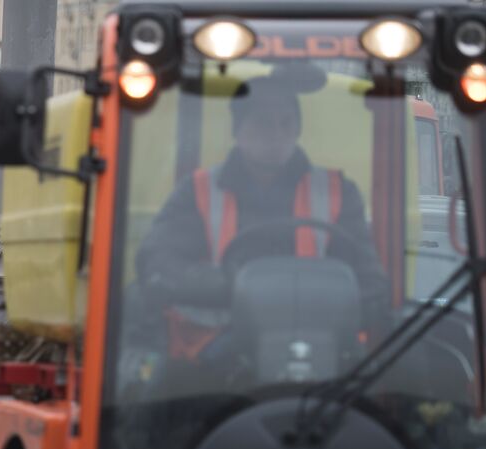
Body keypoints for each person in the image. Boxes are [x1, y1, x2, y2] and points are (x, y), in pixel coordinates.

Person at [135, 76, 388, 362]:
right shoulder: (197, 191)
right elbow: (158, 265)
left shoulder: (338, 192)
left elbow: (371, 284)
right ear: (237, 130)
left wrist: (315, 303)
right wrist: (230, 287)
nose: (276, 134)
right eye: (263, 122)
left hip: (319, 346)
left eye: (286, 123)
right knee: (151, 397)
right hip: (216, 351)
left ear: (297, 130)